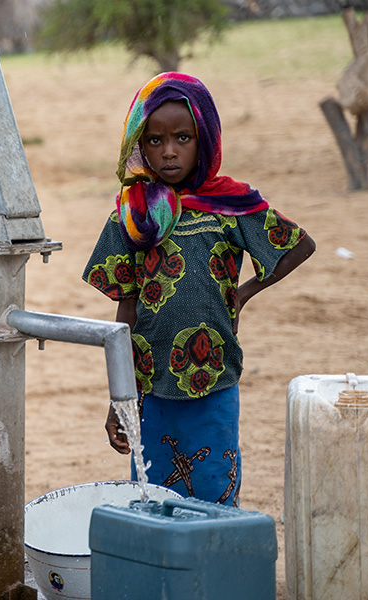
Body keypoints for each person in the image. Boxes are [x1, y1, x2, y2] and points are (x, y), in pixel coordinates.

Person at [83, 72, 315, 506]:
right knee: (152, 500)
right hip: (150, 388)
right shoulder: (132, 216)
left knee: (214, 497)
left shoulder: (231, 205)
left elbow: (299, 245)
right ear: (138, 144)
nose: (168, 151)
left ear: (204, 138)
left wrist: (244, 293)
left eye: (183, 137)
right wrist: (119, 398)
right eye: (154, 140)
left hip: (215, 381)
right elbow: (125, 314)